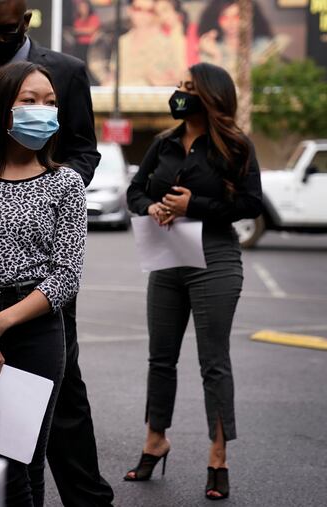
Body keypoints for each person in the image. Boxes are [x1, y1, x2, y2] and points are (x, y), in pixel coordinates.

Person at [0, 2, 114, 506]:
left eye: (49, 102)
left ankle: (89, 498)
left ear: (25, 22)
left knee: (25, 453)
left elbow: (65, 274)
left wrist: (3, 323)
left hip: (34, 317)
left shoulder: (65, 182)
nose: (43, 111)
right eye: (30, 101)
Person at [124, 62, 263, 500]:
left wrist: (193, 206)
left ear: (211, 96)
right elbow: (135, 192)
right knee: (159, 357)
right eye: (179, 86)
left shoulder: (235, 146)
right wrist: (152, 207)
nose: (179, 93)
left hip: (215, 259)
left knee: (213, 361)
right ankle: (155, 439)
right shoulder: (164, 143)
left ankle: (218, 456)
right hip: (166, 258)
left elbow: (251, 203)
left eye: (188, 88)